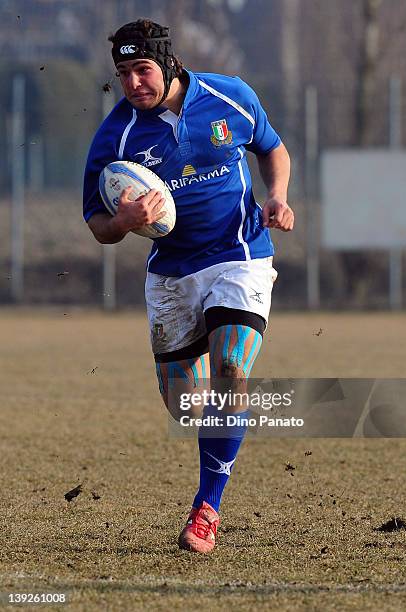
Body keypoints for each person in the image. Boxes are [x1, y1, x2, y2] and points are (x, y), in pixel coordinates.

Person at [83, 18, 294, 554]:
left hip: (238, 255)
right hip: (173, 272)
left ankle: (207, 509)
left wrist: (277, 196)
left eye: (142, 69)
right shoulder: (116, 137)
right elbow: (97, 226)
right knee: (185, 405)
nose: (132, 83)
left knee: (231, 371)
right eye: (123, 73)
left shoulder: (231, 96)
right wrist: (125, 221)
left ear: (168, 64)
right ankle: (214, 442)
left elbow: (273, 148)